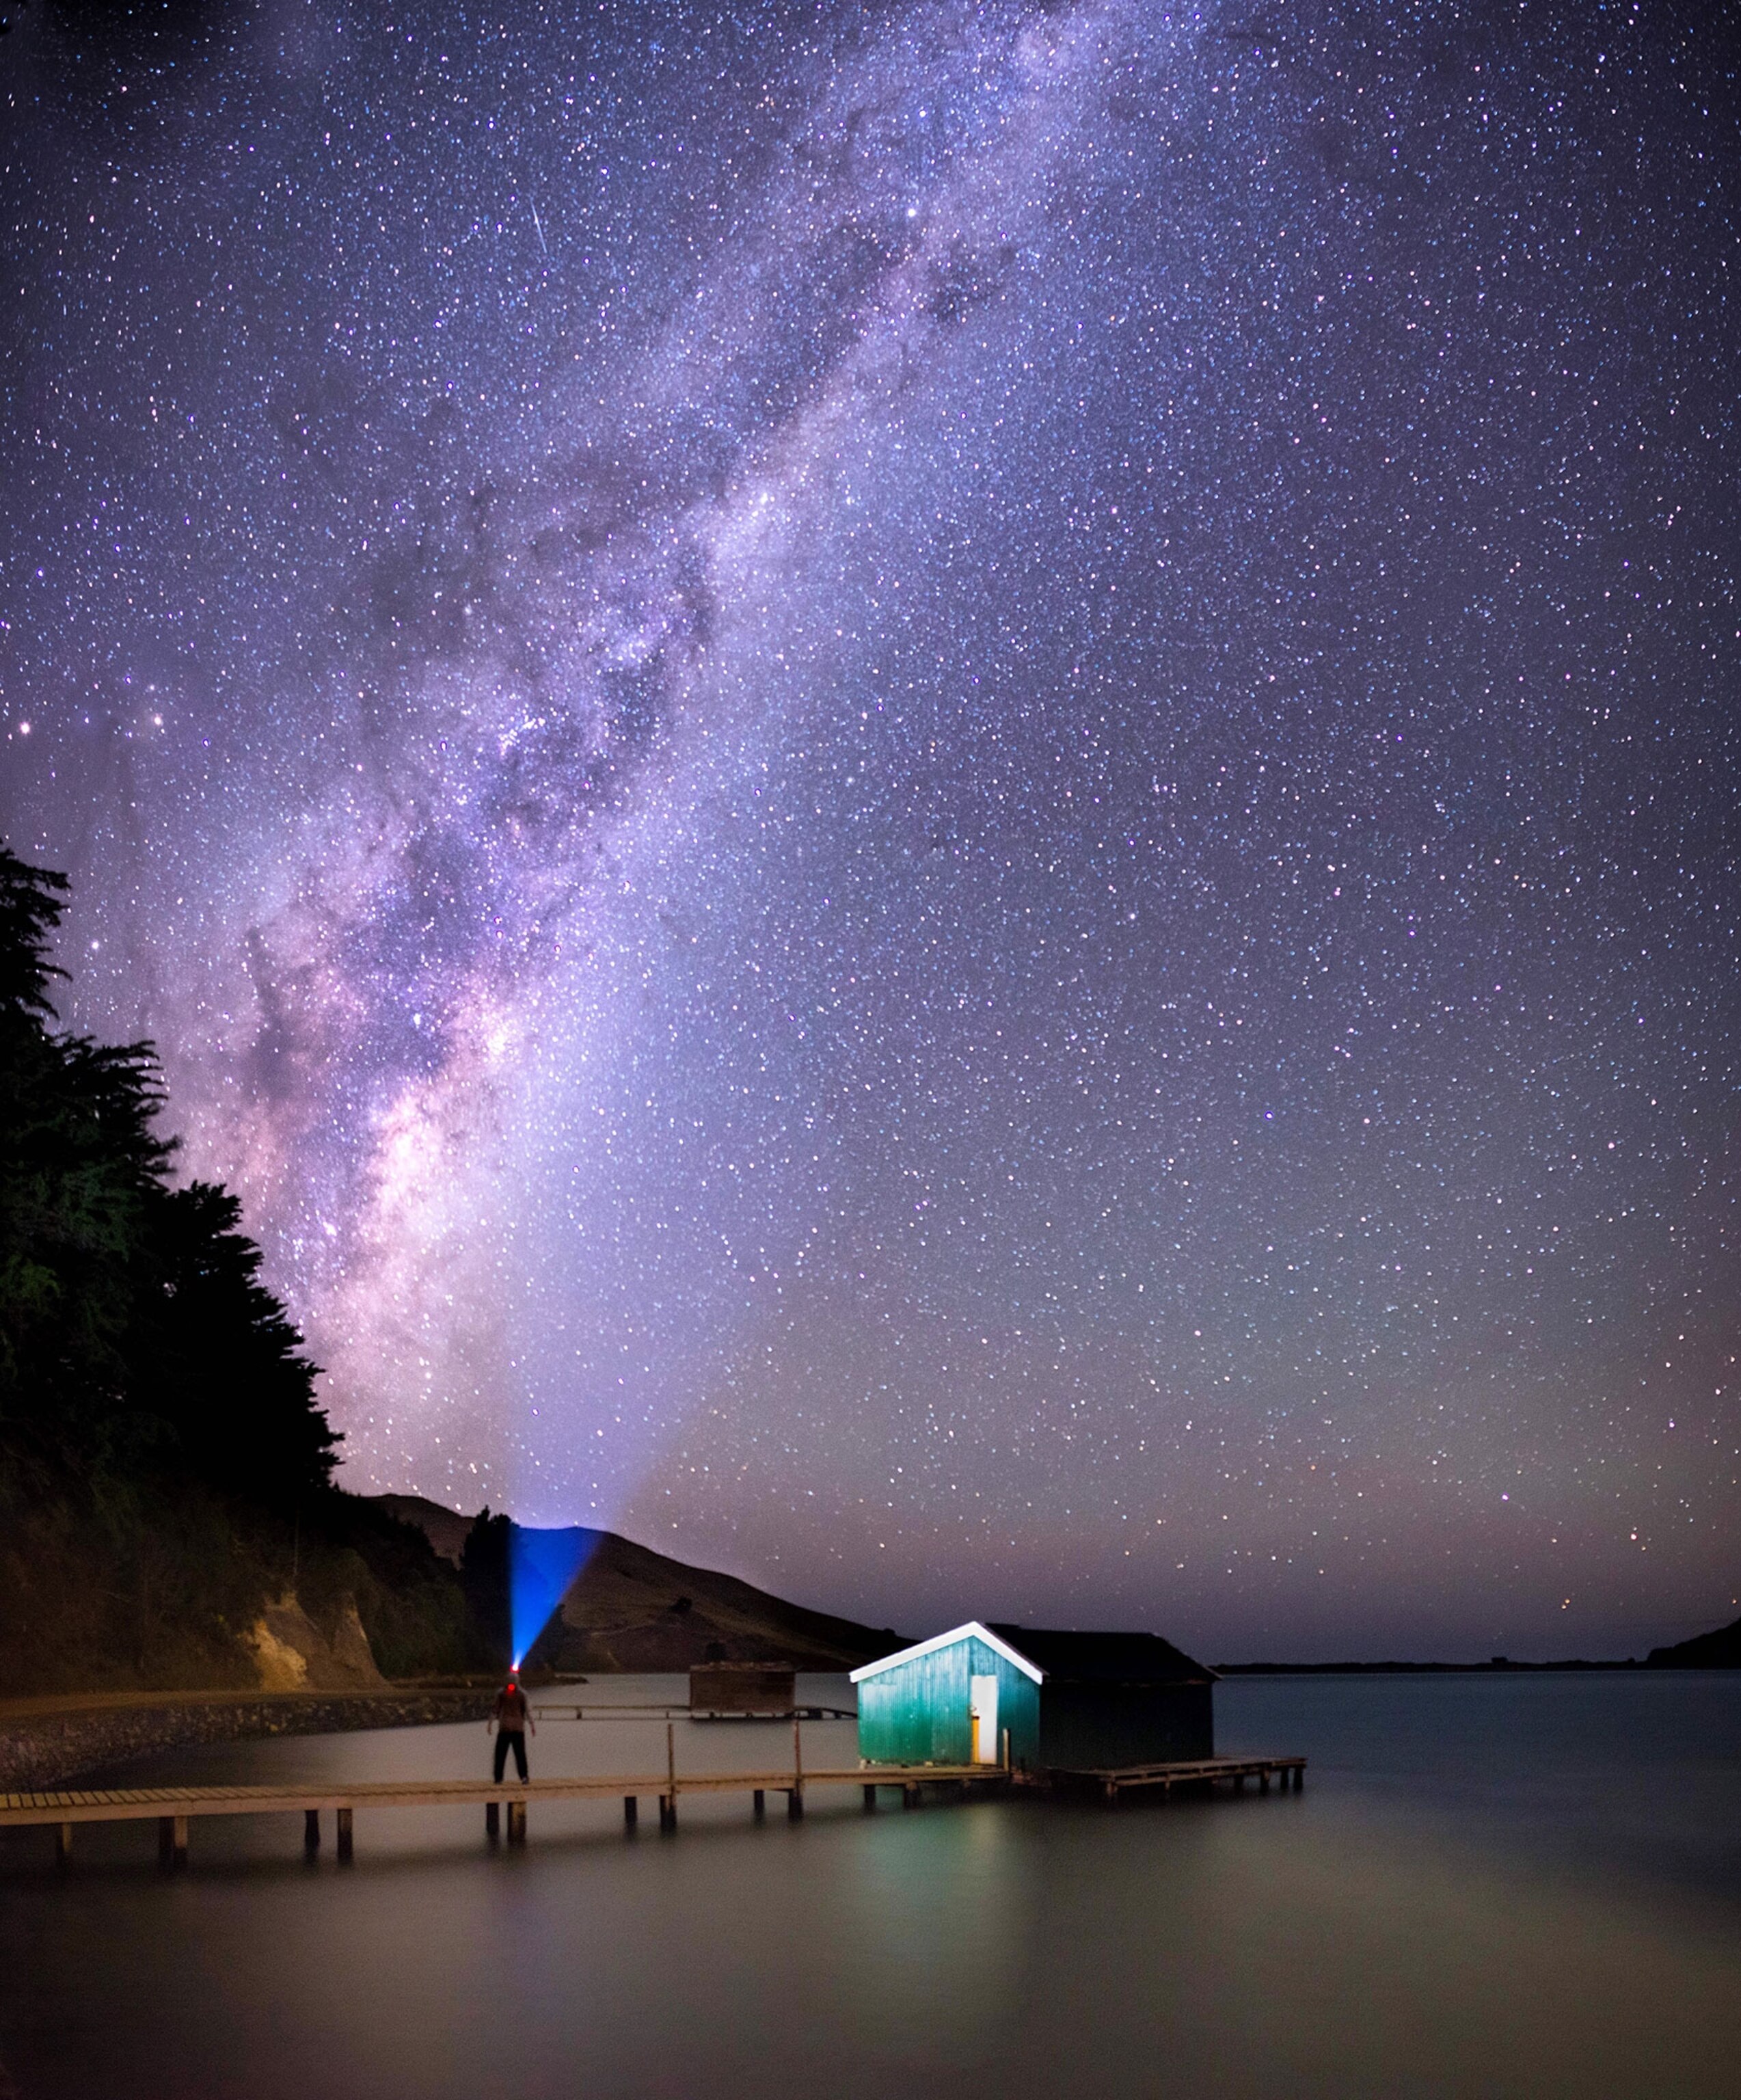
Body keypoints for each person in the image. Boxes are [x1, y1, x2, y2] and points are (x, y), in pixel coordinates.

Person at [489, 1671, 535, 1781]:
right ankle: (523, 1776)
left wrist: (490, 1723)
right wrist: (532, 1725)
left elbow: (495, 1710)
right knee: (520, 1754)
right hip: (518, 1728)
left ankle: (498, 1777)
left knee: (500, 1754)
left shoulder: (501, 1693)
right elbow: (528, 1711)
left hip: (504, 1727)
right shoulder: (522, 1694)